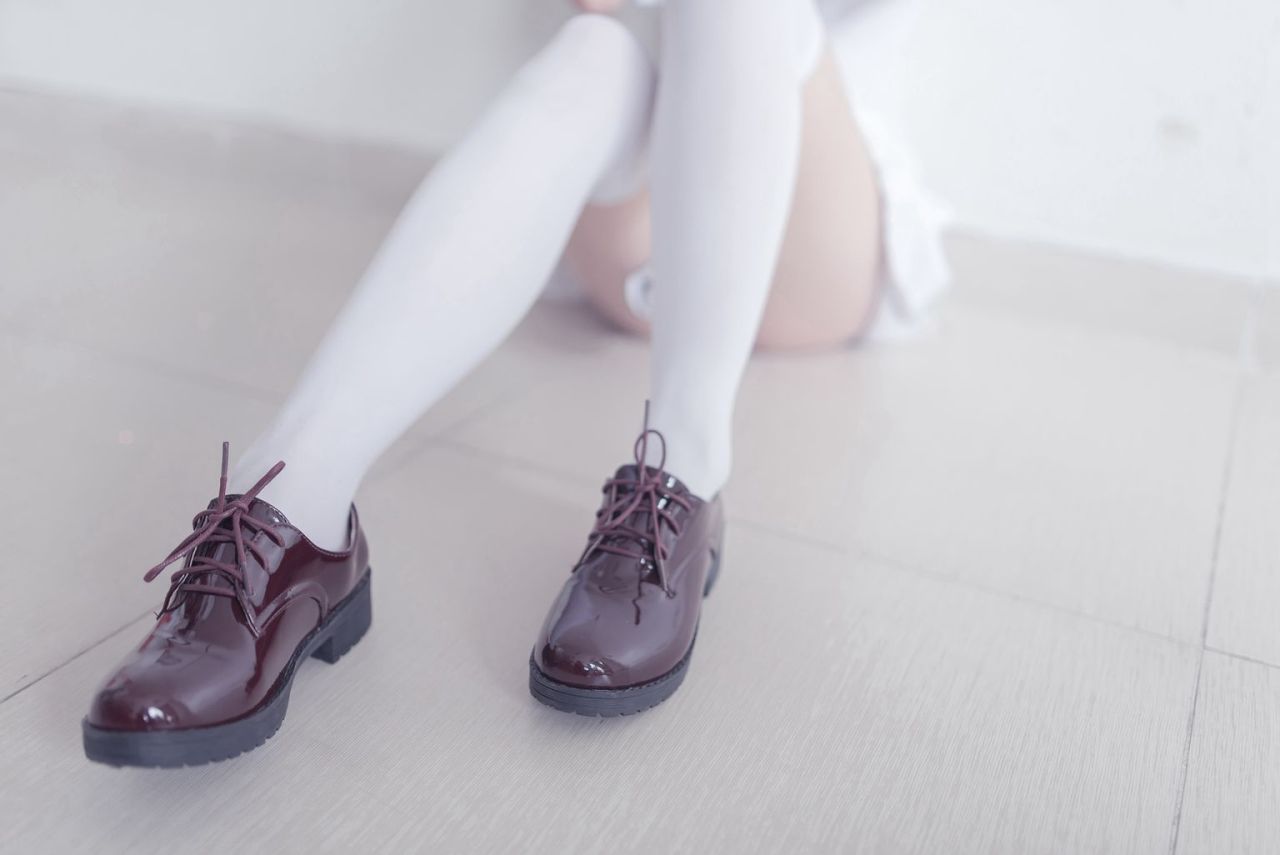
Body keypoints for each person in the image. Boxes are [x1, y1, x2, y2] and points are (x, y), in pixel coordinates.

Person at [82, 0, 948, 767]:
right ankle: (297, 502)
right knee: (593, 52)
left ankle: (685, 465)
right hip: (650, 214)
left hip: (812, 233)